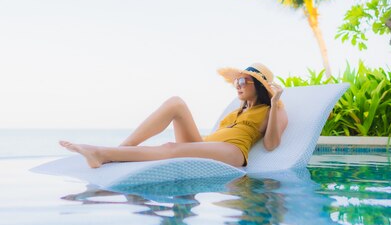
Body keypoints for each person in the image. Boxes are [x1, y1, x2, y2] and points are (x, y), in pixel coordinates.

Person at [60, 63, 289, 168]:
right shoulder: (236, 110)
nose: (237, 86)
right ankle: (123, 148)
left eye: (242, 81)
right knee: (176, 103)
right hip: (206, 145)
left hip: (232, 152)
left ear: (258, 86)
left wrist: (275, 101)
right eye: (236, 81)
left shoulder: (273, 109)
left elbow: (271, 145)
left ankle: (101, 153)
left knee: (171, 148)